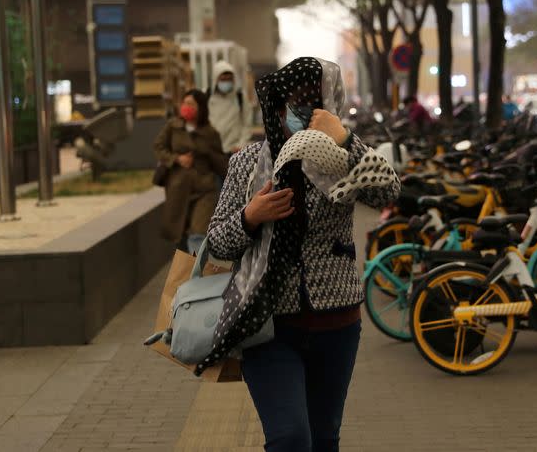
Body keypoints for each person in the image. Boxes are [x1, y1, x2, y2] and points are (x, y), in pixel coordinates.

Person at [203, 57, 401, 451]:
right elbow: (217, 244)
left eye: (311, 103)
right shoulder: (246, 162)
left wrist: (344, 138)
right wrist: (250, 217)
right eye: (289, 103)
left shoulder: (343, 159)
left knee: (325, 439)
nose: (297, 112)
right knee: (290, 438)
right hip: (267, 322)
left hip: (337, 322)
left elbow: (388, 192)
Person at [153, 89, 228, 254]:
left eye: (191, 104)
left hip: (204, 189)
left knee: (198, 234)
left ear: (200, 108)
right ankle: (185, 273)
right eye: (184, 103)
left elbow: (221, 162)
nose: (186, 107)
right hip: (178, 189)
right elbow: (159, 147)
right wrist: (176, 158)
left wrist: (208, 152)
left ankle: (198, 275)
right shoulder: (173, 126)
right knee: (179, 236)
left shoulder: (210, 133)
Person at [208, 60, 254, 153]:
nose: (226, 82)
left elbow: (247, 123)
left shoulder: (240, 97)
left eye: (229, 79)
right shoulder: (207, 96)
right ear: (215, 79)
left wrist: (241, 144)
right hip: (212, 150)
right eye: (223, 79)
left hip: (234, 150)